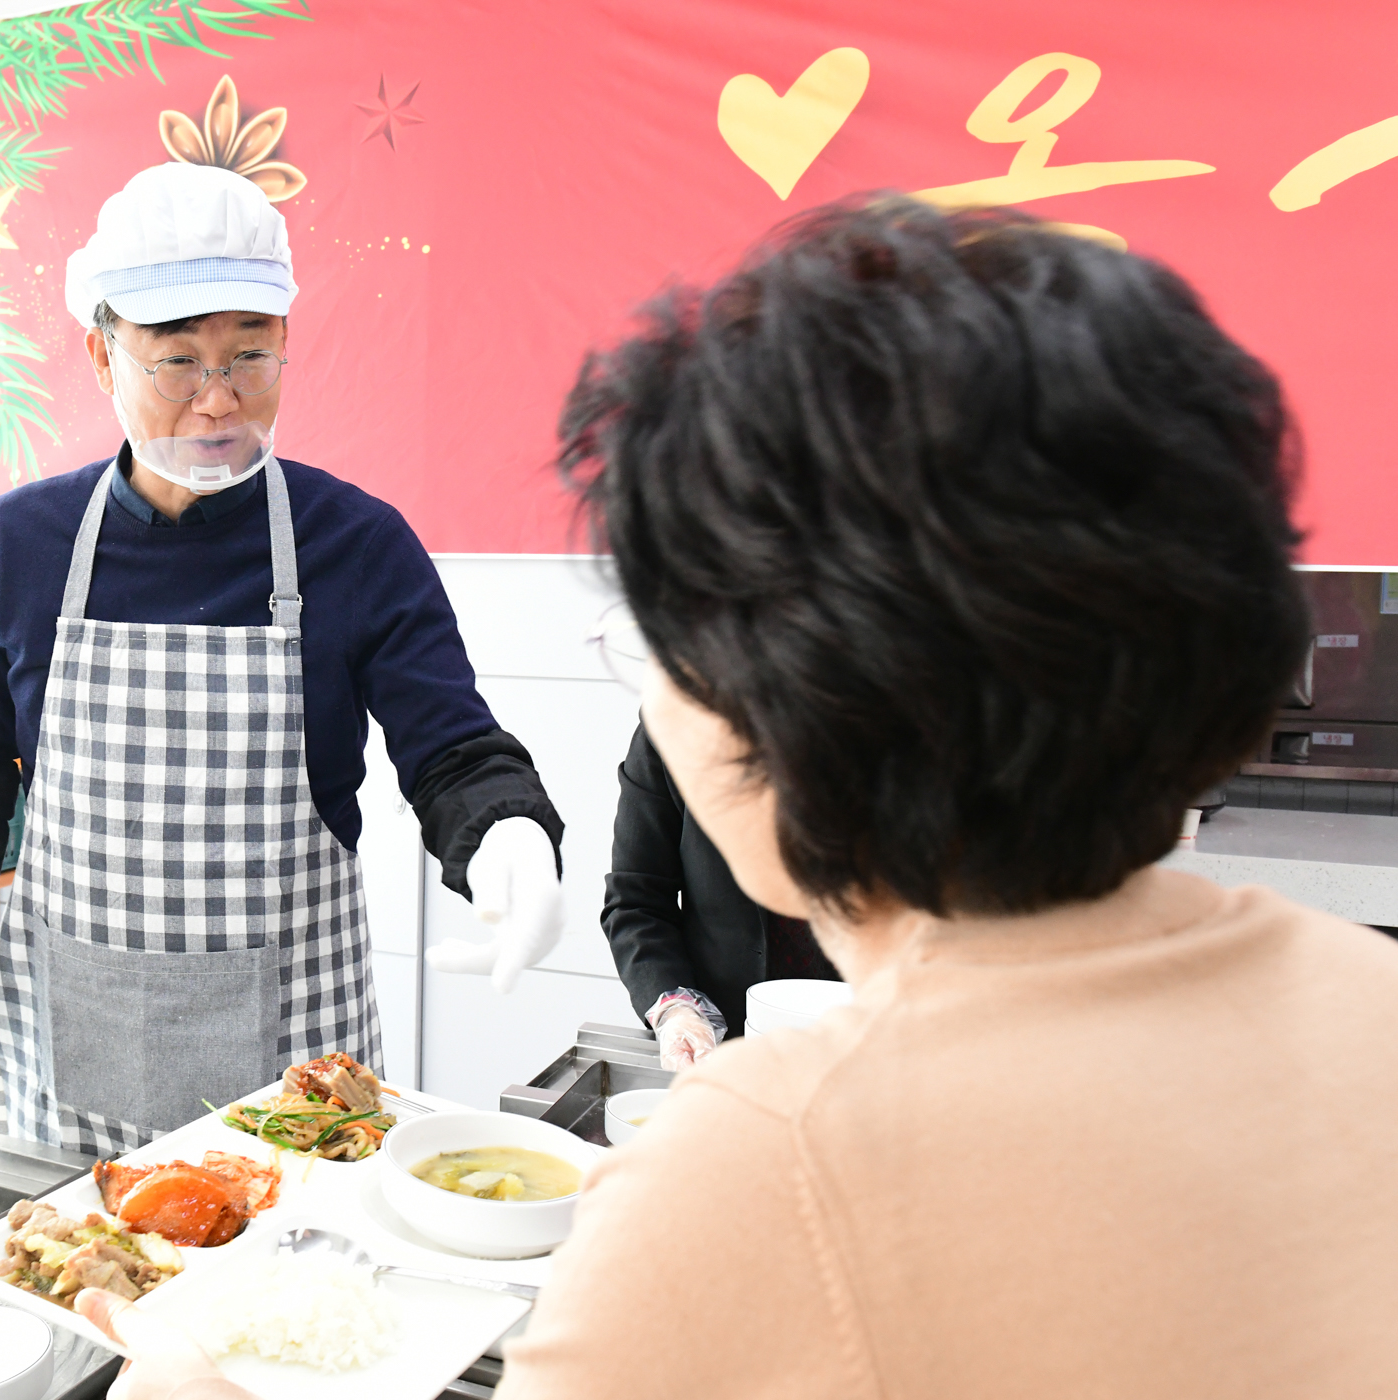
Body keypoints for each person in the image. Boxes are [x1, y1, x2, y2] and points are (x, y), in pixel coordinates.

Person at [75, 197, 1398, 1397]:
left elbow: (456, 749)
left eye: (661, 632)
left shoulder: (756, 1169)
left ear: (801, 692)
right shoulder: (1371, 997)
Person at [0, 162, 567, 1164]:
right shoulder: (21, 544)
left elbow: (453, 751)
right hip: (58, 1072)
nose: (220, 401)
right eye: (178, 363)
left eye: (250, 355)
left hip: (291, 1079)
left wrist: (506, 833)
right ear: (102, 356)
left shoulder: (356, 543)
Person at [602, 720, 836, 1066]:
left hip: (877, 1044)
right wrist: (676, 1008)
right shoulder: (675, 723)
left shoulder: (905, 719)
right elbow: (637, 900)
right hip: (722, 1049)